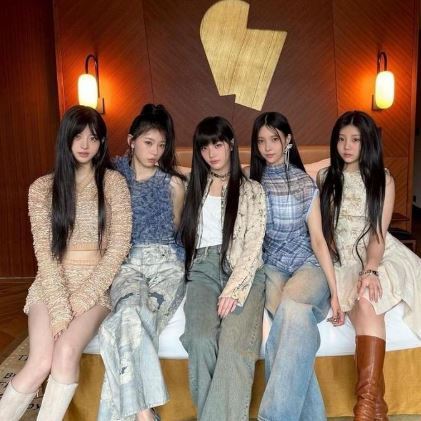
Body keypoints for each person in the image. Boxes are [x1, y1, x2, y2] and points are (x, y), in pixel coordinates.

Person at [0, 105, 132, 421]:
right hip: (50, 283)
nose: (85, 144)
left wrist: (82, 299)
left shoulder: (113, 183)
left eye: (93, 138)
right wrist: (60, 308)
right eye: (78, 136)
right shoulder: (41, 189)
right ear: (66, 138)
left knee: (66, 351)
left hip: (95, 285)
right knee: (40, 361)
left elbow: (118, 249)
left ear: (101, 143)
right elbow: (45, 255)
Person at [318, 110, 421, 420]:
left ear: (368, 143)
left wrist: (371, 269)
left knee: (366, 297)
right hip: (342, 257)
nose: (347, 146)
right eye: (341, 139)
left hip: (377, 254)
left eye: (355, 140)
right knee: (360, 298)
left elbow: (378, 233)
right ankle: (374, 407)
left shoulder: (383, 179)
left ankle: (364, 407)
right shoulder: (325, 177)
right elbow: (324, 231)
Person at [248, 112, 344, 421]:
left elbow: (318, 240)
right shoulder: (251, 183)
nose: (267, 147)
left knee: (291, 311)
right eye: (261, 141)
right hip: (272, 267)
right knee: (294, 325)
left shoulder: (304, 182)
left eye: (274, 139)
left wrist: (335, 293)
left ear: (288, 140)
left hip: (307, 264)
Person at [97, 104, 186, 421]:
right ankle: (145, 413)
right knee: (130, 314)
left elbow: (177, 233)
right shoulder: (111, 177)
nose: (155, 151)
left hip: (166, 264)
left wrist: (178, 195)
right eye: (148, 143)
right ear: (131, 140)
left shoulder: (172, 183)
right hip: (127, 263)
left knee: (127, 326)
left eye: (161, 145)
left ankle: (140, 414)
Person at [179, 116, 266, 421]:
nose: (211, 153)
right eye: (204, 147)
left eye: (217, 144)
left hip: (243, 271)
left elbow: (254, 245)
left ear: (230, 144)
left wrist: (234, 288)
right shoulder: (192, 186)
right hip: (202, 269)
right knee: (200, 339)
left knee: (233, 347)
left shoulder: (253, 190)